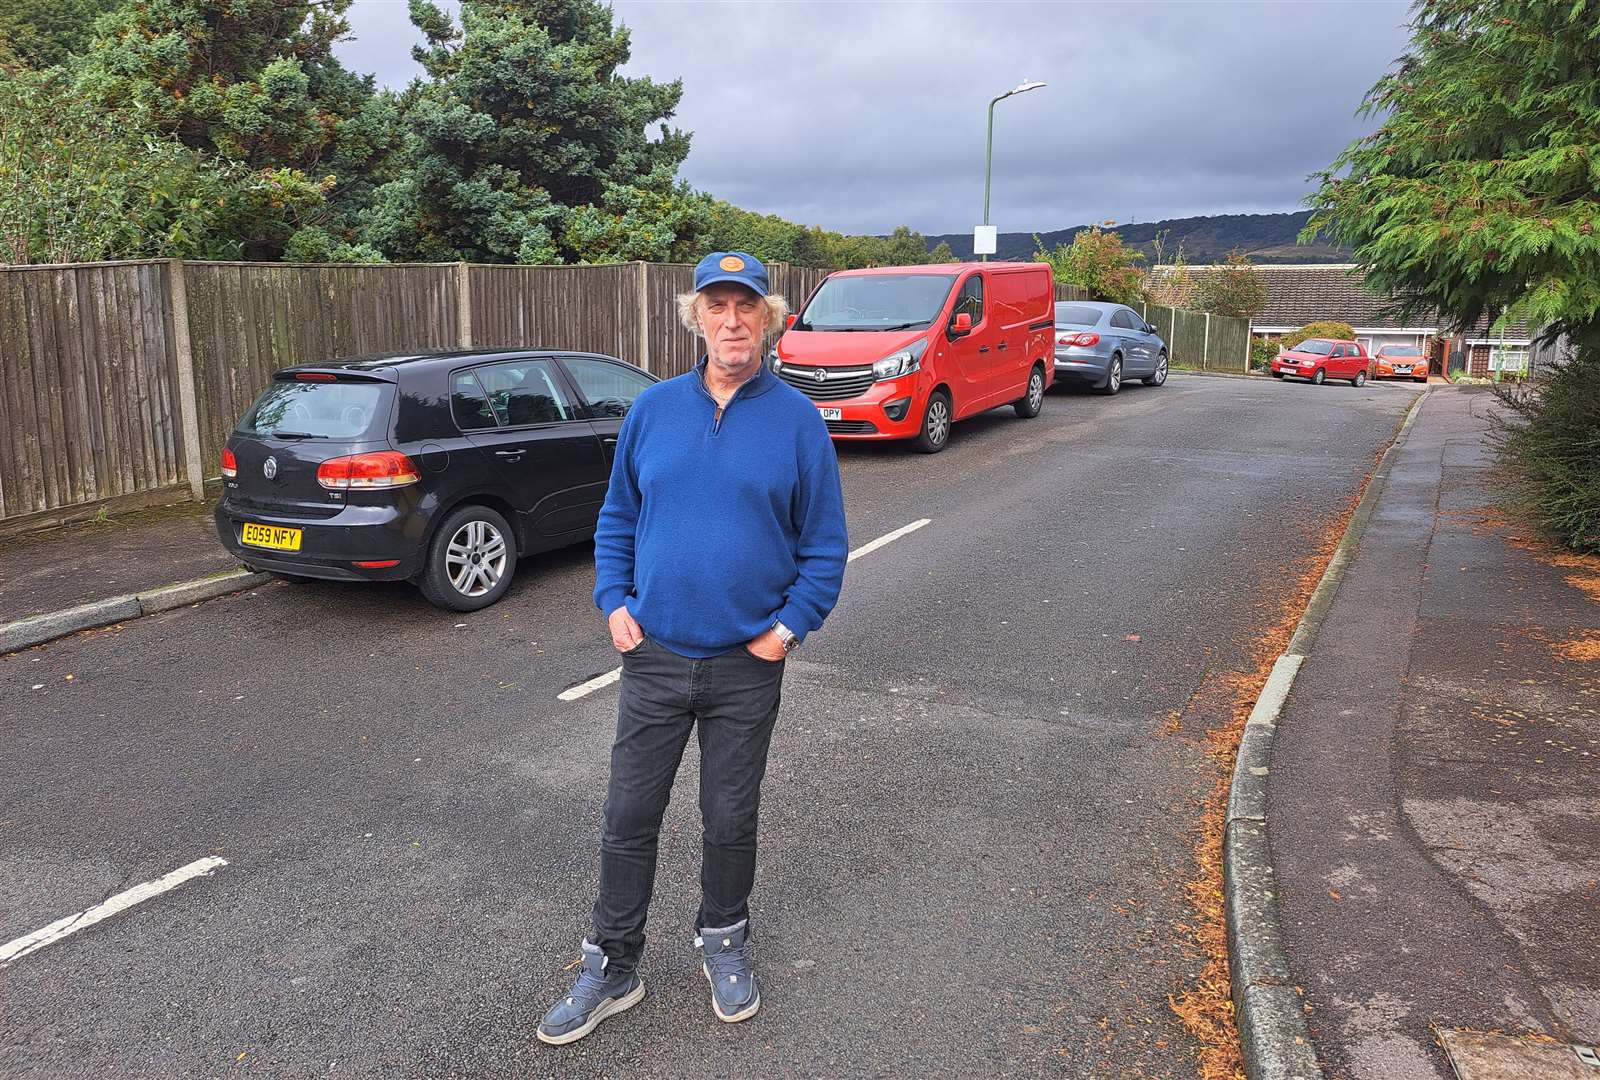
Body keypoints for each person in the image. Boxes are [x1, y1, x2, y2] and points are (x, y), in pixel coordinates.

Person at [536, 251, 848, 1045]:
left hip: (748, 663)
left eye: (747, 306)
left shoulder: (798, 423)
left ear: (769, 320)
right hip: (656, 657)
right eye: (718, 306)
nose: (733, 321)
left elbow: (825, 548)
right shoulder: (654, 411)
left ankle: (724, 942)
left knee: (729, 816)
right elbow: (615, 519)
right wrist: (614, 603)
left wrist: (786, 630)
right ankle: (612, 964)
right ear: (697, 318)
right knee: (629, 814)